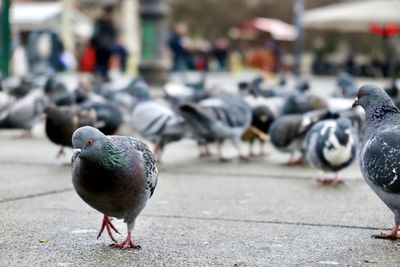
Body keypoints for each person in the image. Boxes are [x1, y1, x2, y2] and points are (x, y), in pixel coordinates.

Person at [92, 5, 117, 81]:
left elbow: (94, 34)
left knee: (100, 62)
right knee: (104, 63)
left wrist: (93, 43)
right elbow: (113, 34)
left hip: (100, 46)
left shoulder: (99, 22)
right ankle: (103, 76)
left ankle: (99, 75)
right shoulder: (109, 23)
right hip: (107, 47)